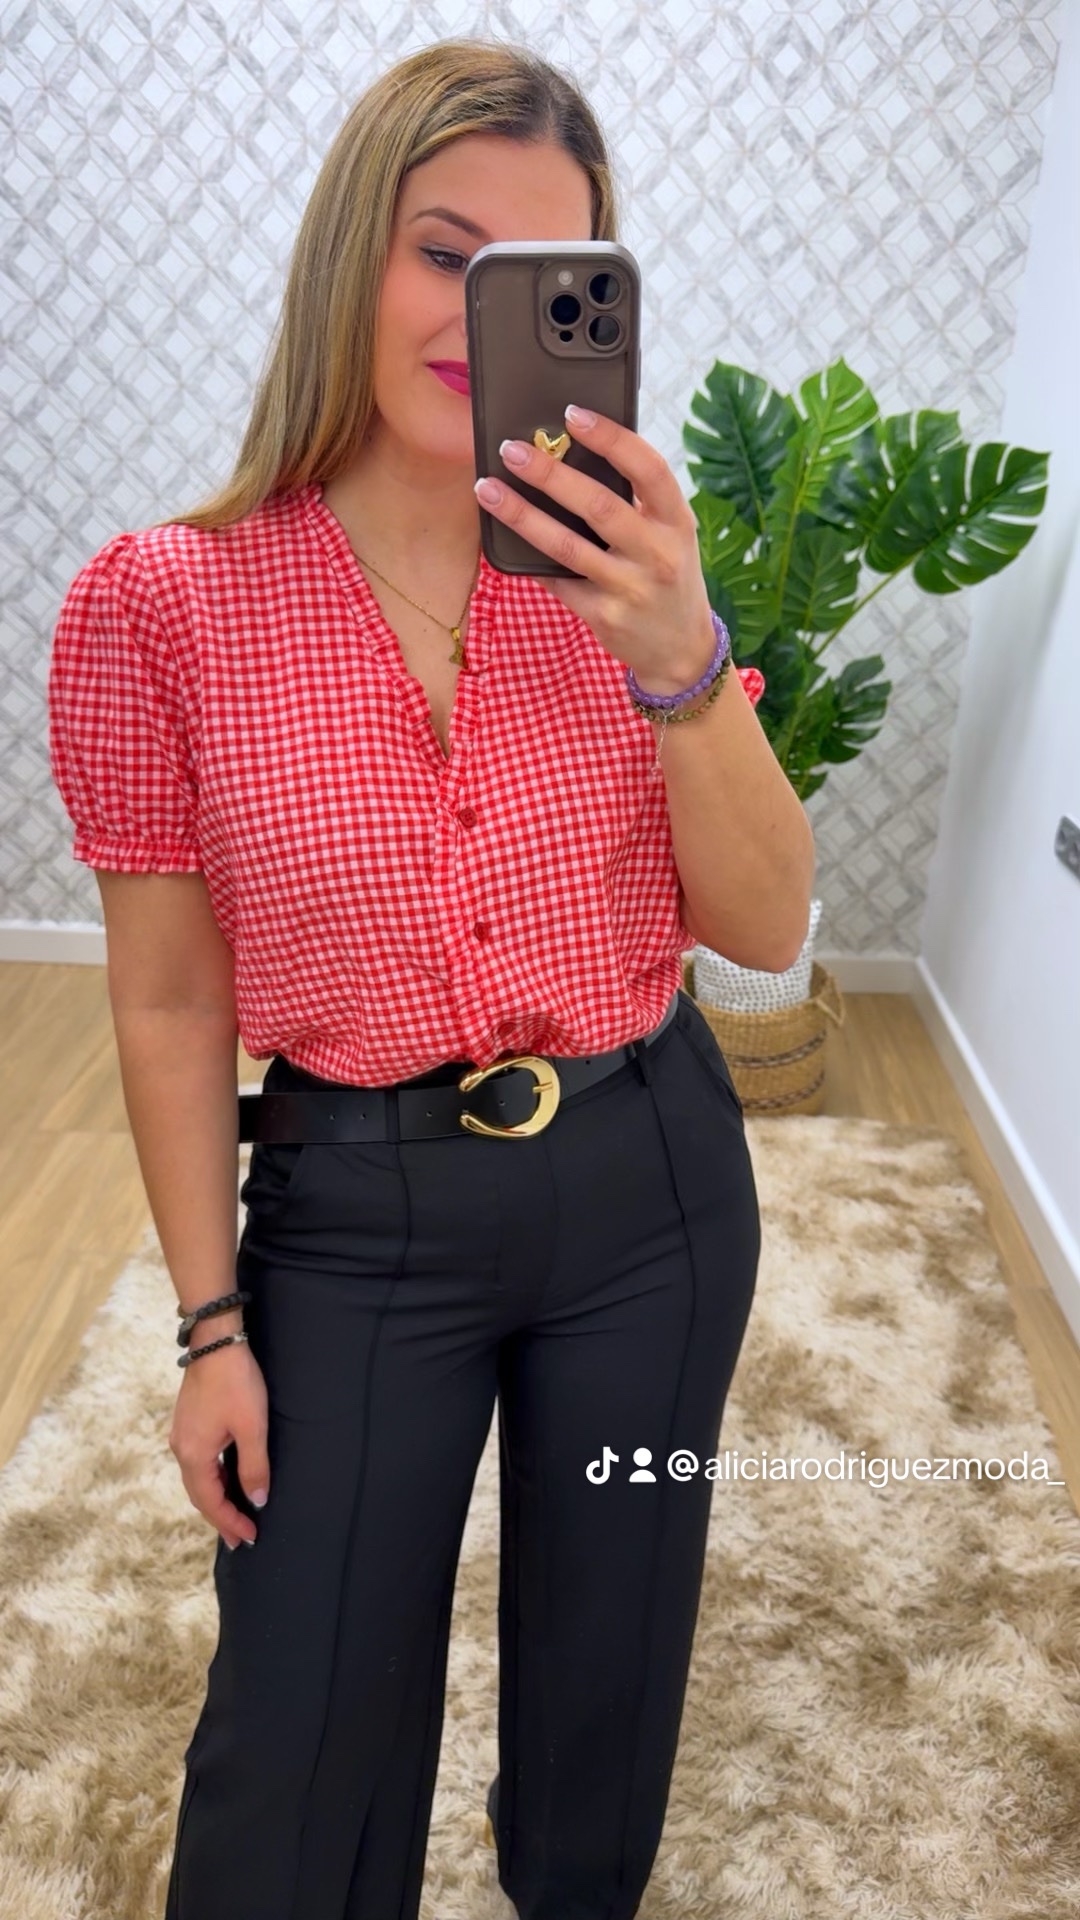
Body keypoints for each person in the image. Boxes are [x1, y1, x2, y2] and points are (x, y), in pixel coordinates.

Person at [46, 37, 813, 1920]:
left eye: (543, 276)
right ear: (350, 263)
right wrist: (210, 1330)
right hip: (356, 1213)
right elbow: (170, 1003)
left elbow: (769, 925)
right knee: (296, 1738)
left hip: (654, 1191)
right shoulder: (162, 602)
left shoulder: (634, 580)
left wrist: (680, 655)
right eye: (445, 255)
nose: (483, 318)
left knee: (613, 1669)